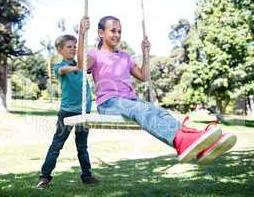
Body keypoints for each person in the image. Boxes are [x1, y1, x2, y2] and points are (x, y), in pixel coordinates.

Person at [77, 15, 237, 164]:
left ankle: (197, 140)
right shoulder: (95, 55)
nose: (117, 35)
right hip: (109, 103)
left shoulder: (125, 57)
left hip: (129, 101)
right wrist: (82, 34)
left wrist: (145, 53)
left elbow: (143, 76)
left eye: (119, 31)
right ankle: (182, 140)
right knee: (141, 110)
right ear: (100, 33)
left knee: (160, 112)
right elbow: (81, 65)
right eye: (113, 30)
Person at [37, 34, 100, 189]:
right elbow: (64, 70)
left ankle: (87, 176)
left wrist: (98, 45)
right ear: (60, 50)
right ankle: (45, 177)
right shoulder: (60, 67)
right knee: (56, 145)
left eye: (74, 46)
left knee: (82, 147)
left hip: (83, 112)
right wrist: (77, 67)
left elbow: (93, 59)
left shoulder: (82, 64)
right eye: (69, 46)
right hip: (67, 112)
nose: (73, 49)